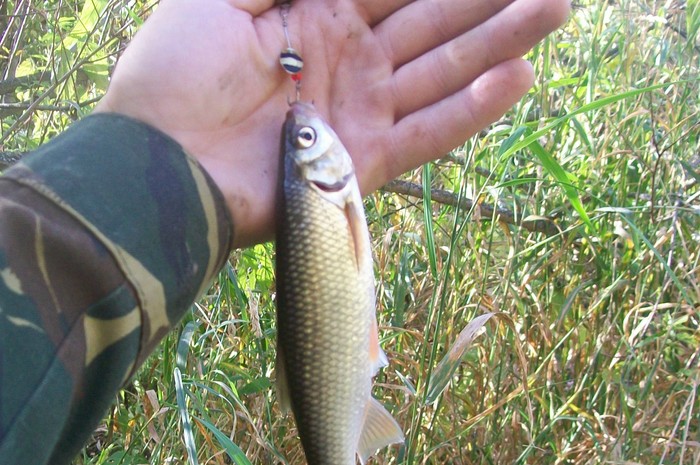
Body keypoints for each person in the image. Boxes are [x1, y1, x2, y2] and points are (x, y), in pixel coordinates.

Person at [0, 0, 570, 463]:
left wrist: (142, 149)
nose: (306, 125)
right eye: (305, 141)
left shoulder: (323, 195)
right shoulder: (332, 195)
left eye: (302, 140)